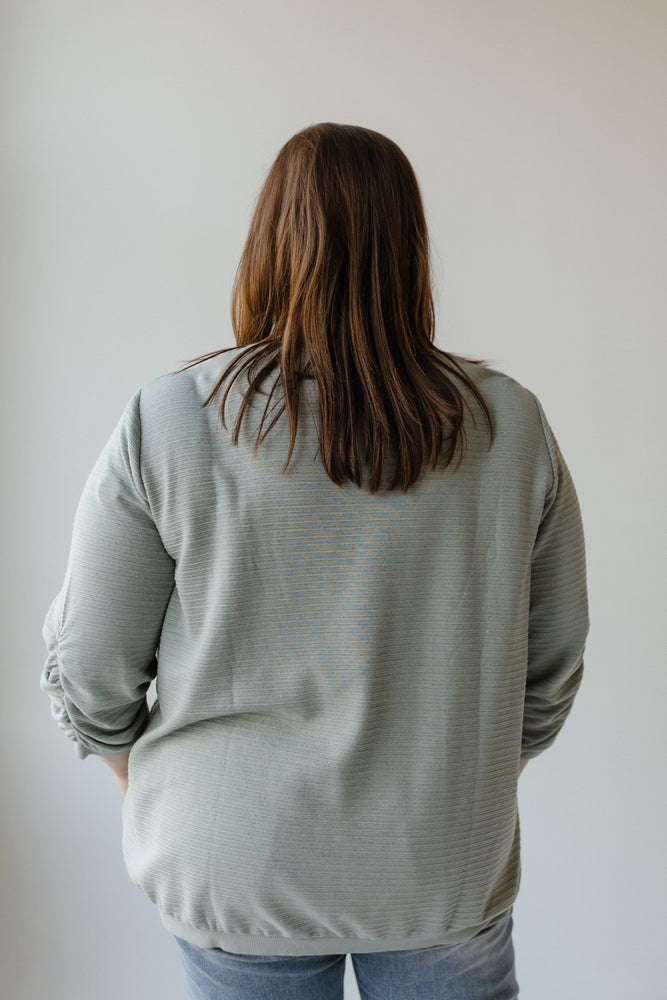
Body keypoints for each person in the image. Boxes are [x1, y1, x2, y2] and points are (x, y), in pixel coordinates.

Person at [40, 122, 590, 1000]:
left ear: (268, 245)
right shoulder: (508, 426)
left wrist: (142, 778)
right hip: (439, 861)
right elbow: (553, 661)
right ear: (409, 252)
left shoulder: (174, 418)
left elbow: (88, 664)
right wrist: (461, 776)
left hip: (234, 858)